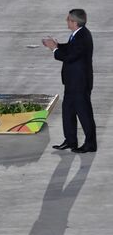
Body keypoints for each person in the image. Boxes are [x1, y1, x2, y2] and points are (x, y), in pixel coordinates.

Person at [42, 9, 97, 153]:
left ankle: (90, 144)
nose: (66, 21)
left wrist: (54, 49)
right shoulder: (78, 34)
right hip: (72, 83)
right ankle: (71, 141)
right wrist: (58, 45)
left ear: (75, 22)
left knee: (84, 114)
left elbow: (70, 57)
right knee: (68, 112)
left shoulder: (82, 37)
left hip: (80, 83)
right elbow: (70, 48)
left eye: (68, 19)